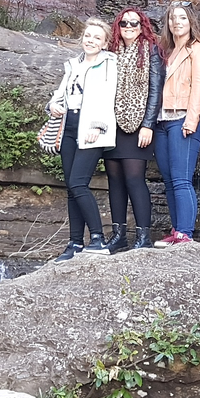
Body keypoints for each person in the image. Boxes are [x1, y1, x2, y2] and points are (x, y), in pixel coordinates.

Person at [46, 18, 119, 262]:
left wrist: (98, 126)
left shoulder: (109, 64)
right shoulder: (73, 64)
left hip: (93, 130)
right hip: (69, 127)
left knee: (78, 183)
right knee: (70, 188)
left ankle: (97, 238)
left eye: (97, 37)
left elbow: (109, 98)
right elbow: (60, 94)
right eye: (88, 36)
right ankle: (75, 242)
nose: (91, 41)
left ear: (105, 42)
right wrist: (53, 105)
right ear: (82, 38)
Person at [153, 0, 200, 248]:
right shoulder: (167, 50)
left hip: (183, 120)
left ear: (191, 21)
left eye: (182, 18)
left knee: (181, 179)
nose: (177, 22)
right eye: (172, 18)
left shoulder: (197, 49)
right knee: (168, 180)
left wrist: (192, 119)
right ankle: (176, 229)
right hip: (162, 121)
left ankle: (185, 233)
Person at [104, 7, 164, 252]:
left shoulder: (151, 50)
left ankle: (143, 236)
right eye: (124, 23)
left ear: (143, 26)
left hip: (139, 124)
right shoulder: (111, 52)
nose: (129, 28)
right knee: (114, 180)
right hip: (112, 124)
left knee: (134, 179)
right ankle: (119, 235)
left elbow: (155, 89)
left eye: (135, 23)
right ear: (118, 26)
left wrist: (148, 125)